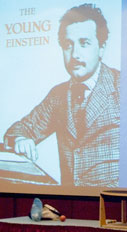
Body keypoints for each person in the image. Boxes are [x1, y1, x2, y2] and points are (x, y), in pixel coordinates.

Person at [3, 4, 120, 187]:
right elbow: (18, 130)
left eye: (84, 43)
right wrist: (21, 139)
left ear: (102, 47)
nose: (75, 54)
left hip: (117, 205)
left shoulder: (122, 86)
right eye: (68, 45)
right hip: (70, 203)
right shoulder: (58, 96)